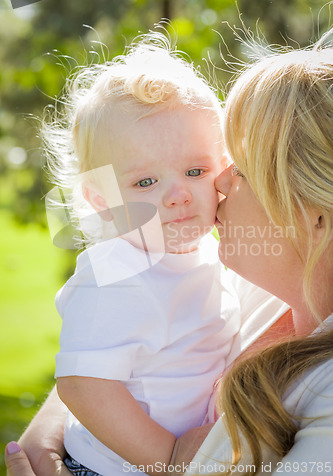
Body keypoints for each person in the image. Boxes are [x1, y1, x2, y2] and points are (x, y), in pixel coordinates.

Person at [7, 27, 333, 475]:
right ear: (102, 197)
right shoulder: (237, 275)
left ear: (315, 213)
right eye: (146, 182)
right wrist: (54, 429)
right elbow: (88, 377)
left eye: (239, 168)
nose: (216, 183)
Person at [17, 33, 247, 476]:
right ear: (102, 198)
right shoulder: (116, 275)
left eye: (195, 171)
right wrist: (168, 457)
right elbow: (83, 386)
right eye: (146, 183)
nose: (178, 195)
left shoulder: (207, 252)